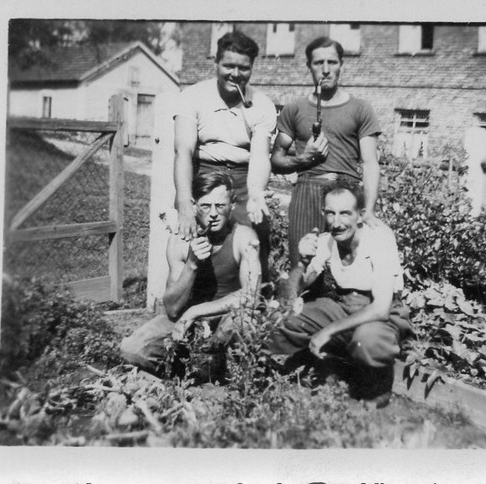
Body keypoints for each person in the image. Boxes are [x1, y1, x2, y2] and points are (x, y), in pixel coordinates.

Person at [268, 180, 411, 408]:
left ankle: (378, 385)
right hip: (344, 306)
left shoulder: (379, 238)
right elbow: (294, 293)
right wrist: (302, 262)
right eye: (331, 213)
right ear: (323, 213)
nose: (337, 222)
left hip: (383, 313)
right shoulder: (326, 241)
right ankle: (312, 365)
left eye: (345, 213)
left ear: (360, 215)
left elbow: (381, 308)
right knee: (283, 320)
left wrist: (327, 331)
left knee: (367, 341)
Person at [121, 172, 261, 375]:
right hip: (186, 325)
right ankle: (196, 368)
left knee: (244, 322)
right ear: (195, 206)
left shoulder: (243, 237)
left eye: (220, 206)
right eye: (206, 206)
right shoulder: (180, 240)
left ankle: (231, 375)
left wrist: (194, 312)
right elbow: (172, 308)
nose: (213, 213)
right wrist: (192, 265)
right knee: (132, 349)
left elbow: (252, 297)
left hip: (225, 318)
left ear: (232, 205)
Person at [270, 36, 382, 268]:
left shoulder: (360, 109)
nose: (325, 70)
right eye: (318, 63)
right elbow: (276, 159)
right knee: (302, 265)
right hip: (307, 192)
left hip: (346, 193)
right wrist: (304, 158)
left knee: (349, 266)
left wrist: (368, 211)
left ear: (341, 64)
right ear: (309, 66)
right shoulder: (294, 109)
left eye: (332, 62)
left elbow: (370, 163)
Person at [173, 30, 276, 277]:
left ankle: (249, 305)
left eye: (244, 68)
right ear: (216, 63)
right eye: (228, 65)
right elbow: (183, 152)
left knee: (252, 242)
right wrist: (185, 200)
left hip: (243, 180)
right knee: (194, 241)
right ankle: (193, 303)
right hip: (204, 177)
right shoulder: (192, 96)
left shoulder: (263, 104)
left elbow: (261, 156)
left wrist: (255, 193)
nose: (236, 74)